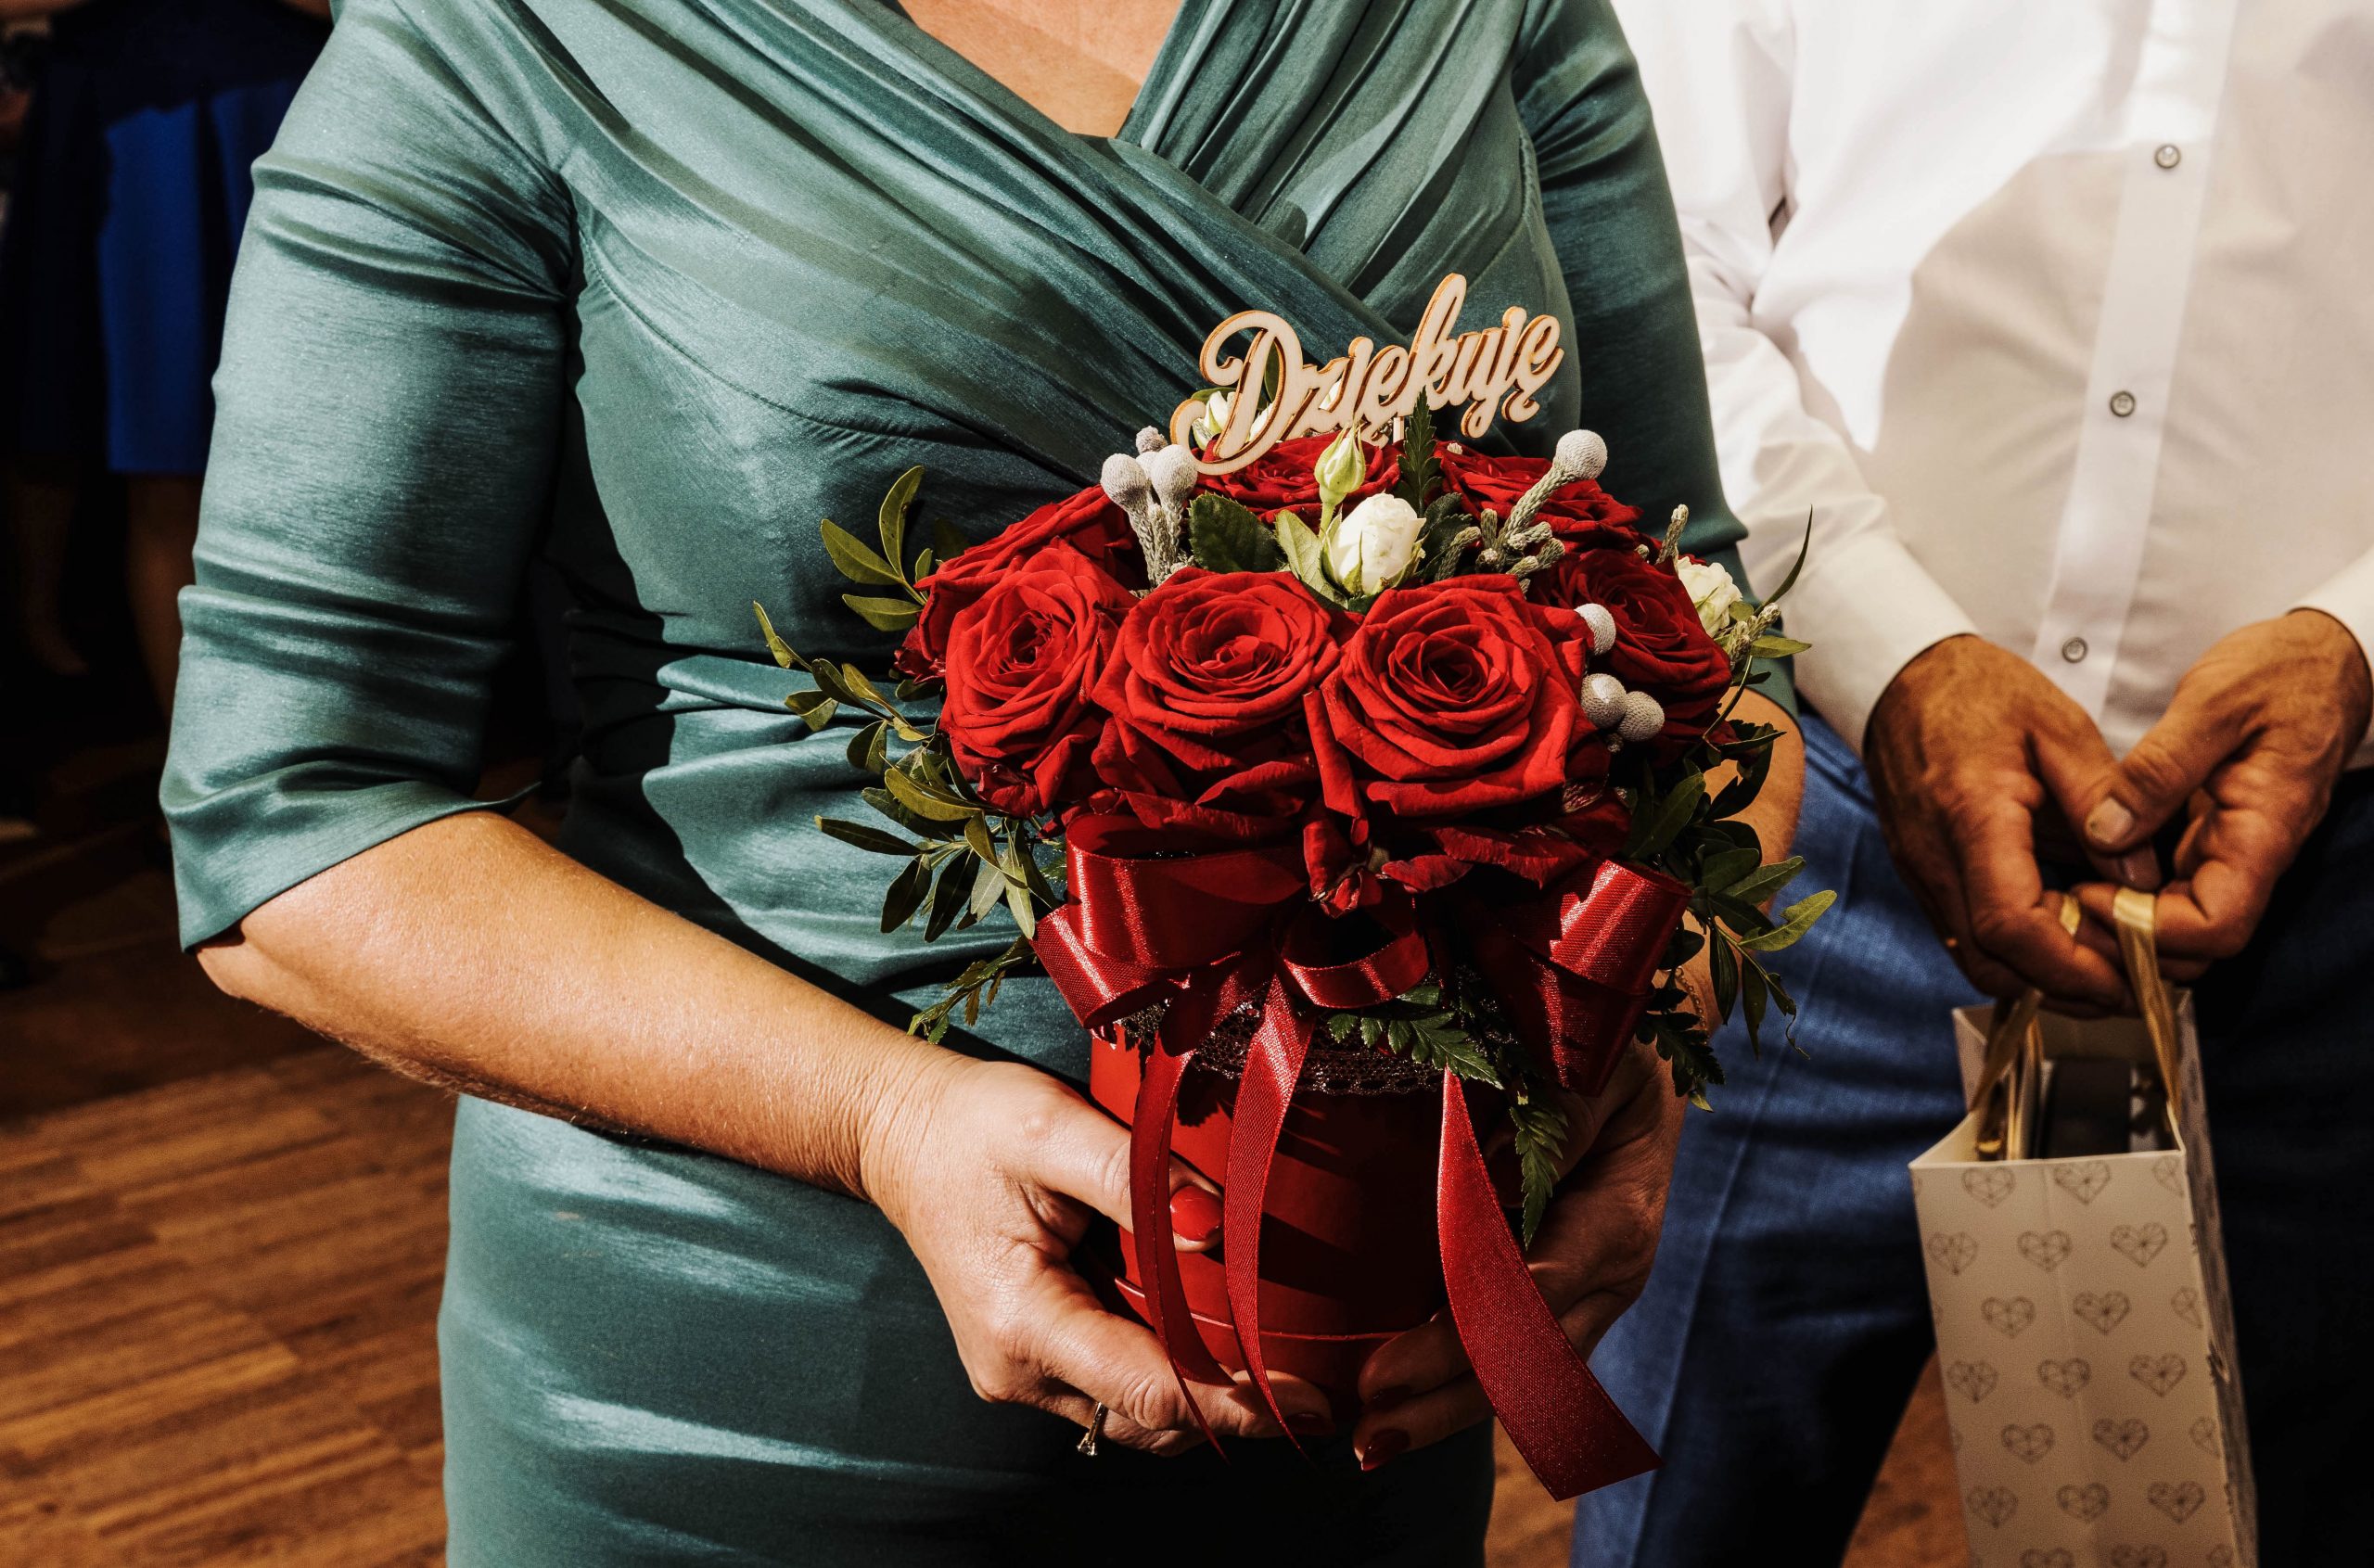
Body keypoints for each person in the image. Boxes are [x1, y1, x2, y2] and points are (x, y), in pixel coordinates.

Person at [161, 3, 1800, 1563]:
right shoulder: (509, 33)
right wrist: (880, 1118)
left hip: (1368, 1344)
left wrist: (1621, 1058)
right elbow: (294, 814)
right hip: (750, 1381)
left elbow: (1702, 627)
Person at [1578, 4, 2374, 1565]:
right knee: (1687, 1508)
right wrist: (1890, 654)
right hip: (1815, 862)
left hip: (2321, 916)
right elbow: (1648, 254)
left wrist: (2360, 638)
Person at [0, 0, 329, 705]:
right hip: (137, 122)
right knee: (169, 456)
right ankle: (203, 756)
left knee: (331, 448)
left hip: (294, 103)